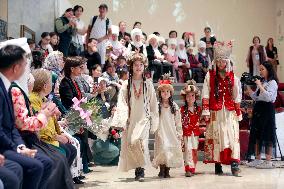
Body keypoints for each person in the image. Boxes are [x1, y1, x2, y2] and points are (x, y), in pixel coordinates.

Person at [0, 44, 52, 189]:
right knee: (34, 166)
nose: (26, 70)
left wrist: (20, 146)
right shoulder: (7, 89)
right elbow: (12, 126)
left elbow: (11, 127)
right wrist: (17, 148)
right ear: (16, 68)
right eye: (24, 65)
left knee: (45, 163)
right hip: (5, 145)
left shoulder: (7, 86)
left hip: (13, 142)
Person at [112, 52, 159, 181]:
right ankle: (138, 168)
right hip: (131, 119)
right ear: (131, 67)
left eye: (141, 65)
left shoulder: (148, 84)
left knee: (141, 142)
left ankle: (140, 170)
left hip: (144, 119)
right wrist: (122, 119)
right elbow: (121, 102)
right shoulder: (126, 85)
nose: (138, 67)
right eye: (136, 65)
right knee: (132, 143)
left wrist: (154, 120)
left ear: (144, 67)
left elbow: (154, 103)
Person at [201, 41, 242, 176]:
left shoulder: (233, 77)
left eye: (222, 61)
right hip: (215, 111)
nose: (220, 64)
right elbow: (205, 92)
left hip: (229, 112)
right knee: (217, 136)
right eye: (218, 61)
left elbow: (237, 95)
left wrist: (237, 110)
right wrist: (206, 109)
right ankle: (218, 163)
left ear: (227, 62)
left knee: (232, 136)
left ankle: (234, 164)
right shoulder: (210, 76)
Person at [246, 61, 278, 169]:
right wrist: (249, 89)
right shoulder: (263, 82)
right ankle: (257, 159)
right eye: (259, 69)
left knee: (268, 134)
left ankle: (268, 161)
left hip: (267, 110)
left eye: (262, 69)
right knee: (257, 133)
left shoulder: (272, 82)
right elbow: (256, 97)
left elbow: (269, 97)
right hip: (259, 108)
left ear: (268, 70)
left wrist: (259, 85)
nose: (260, 71)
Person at [152, 74, 183, 178]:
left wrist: (179, 132)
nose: (165, 93)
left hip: (171, 131)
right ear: (160, 93)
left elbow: (178, 121)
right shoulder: (157, 105)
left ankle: (167, 169)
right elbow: (154, 117)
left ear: (171, 93)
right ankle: (162, 169)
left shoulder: (174, 106)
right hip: (161, 130)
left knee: (169, 150)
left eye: (167, 91)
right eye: (163, 92)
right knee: (162, 149)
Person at [180, 80, 202, 177]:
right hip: (186, 132)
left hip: (195, 133)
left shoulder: (198, 109)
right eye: (188, 95)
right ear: (185, 97)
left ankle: (193, 167)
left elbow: (202, 120)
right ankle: (188, 168)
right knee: (187, 150)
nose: (190, 98)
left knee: (194, 150)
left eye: (192, 95)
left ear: (195, 97)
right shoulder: (182, 110)